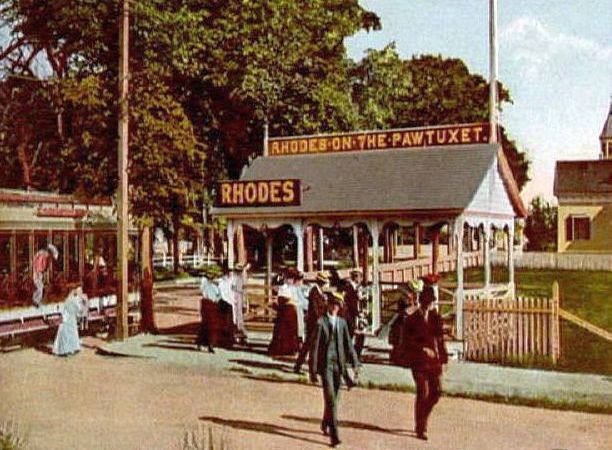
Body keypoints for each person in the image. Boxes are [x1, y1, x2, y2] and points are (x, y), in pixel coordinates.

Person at [309, 291, 360, 448]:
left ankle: (326, 422)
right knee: (331, 399)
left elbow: (348, 345)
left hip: (339, 365)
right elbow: (315, 348)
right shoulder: (320, 323)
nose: (334, 308)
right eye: (332, 305)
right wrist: (312, 370)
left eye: (337, 306)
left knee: (334, 400)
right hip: (326, 367)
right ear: (328, 305)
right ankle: (334, 435)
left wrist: (356, 363)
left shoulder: (342, 323)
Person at [405, 284, 448, 441]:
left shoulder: (436, 318)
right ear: (422, 302)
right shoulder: (411, 319)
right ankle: (421, 426)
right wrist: (422, 349)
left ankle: (423, 417)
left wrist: (443, 358)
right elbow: (407, 342)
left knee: (436, 392)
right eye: (427, 302)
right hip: (418, 362)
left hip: (434, 362)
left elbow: (440, 339)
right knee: (422, 392)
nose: (430, 305)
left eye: (431, 302)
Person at [294, 271, 329, 373]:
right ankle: (312, 370)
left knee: (308, 346)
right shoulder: (314, 292)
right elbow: (314, 309)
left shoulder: (321, 292)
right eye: (323, 282)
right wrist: (320, 318)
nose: (324, 284)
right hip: (314, 323)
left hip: (317, 323)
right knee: (312, 347)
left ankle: (299, 366)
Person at [268, 284, 300, 356]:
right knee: (283, 331)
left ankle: (288, 349)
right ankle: (284, 349)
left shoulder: (288, 290)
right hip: (285, 311)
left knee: (288, 331)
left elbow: (284, 300)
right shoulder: (284, 289)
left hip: (287, 311)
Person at [52, 287, 85, 356]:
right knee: (68, 334)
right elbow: (79, 310)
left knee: (70, 334)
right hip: (69, 319)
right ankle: (66, 350)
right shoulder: (73, 300)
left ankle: (69, 349)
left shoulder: (70, 299)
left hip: (69, 318)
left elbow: (77, 310)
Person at [196, 276, 222, 353]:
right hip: (206, 304)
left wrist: (216, 300)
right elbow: (203, 293)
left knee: (212, 327)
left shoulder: (215, 287)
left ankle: (210, 344)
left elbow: (219, 295)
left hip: (213, 305)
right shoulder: (204, 285)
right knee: (205, 325)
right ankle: (200, 343)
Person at [341, 269, 363, 337]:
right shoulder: (349, 287)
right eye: (360, 277)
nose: (361, 280)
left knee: (351, 332)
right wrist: (358, 313)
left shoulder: (355, 288)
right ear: (356, 278)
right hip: (349, 313)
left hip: (352, 313)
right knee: (349, 332)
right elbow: (351, 303)